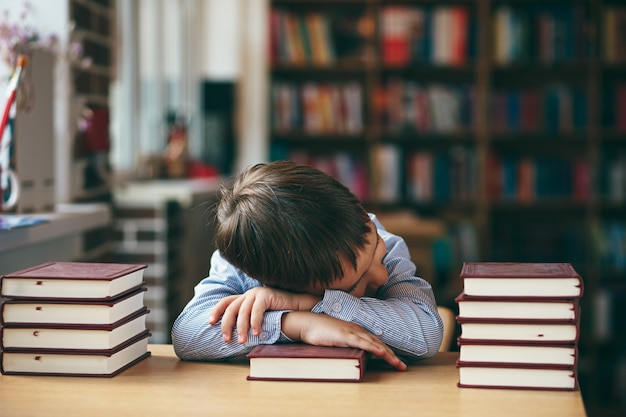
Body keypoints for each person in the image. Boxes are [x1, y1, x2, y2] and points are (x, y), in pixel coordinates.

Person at [171, 161, 443, 370]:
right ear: (275, 282)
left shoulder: (388, 243)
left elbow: (427, 332)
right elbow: (187, 334)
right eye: (357, 283)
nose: (382, 275)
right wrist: (298, 323)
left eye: (375, 248)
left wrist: (309, 303)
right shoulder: (245, 263)